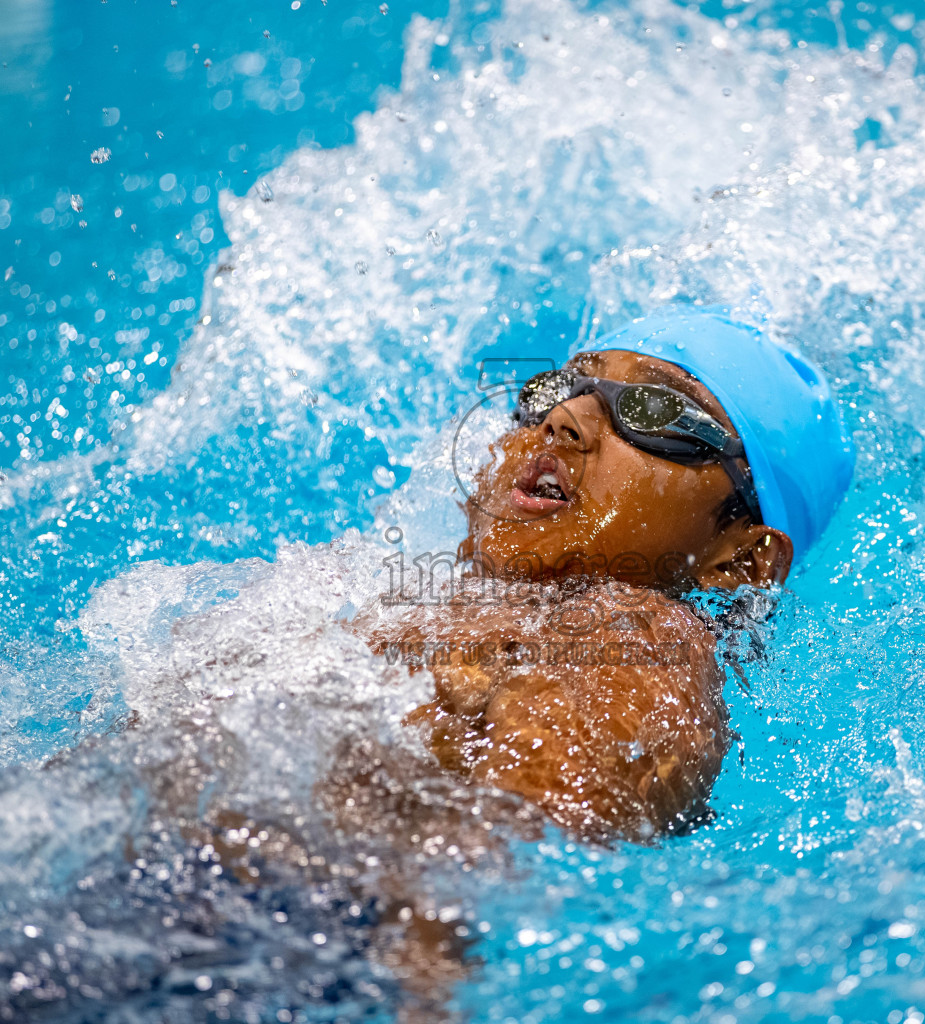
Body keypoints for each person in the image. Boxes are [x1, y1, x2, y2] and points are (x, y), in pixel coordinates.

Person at [364, 304, 855, 841]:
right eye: (556, 390)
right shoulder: (467, 610)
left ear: (741, 560)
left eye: (654, 410)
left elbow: (506, 842)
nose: (563, 418)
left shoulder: (642, 634)